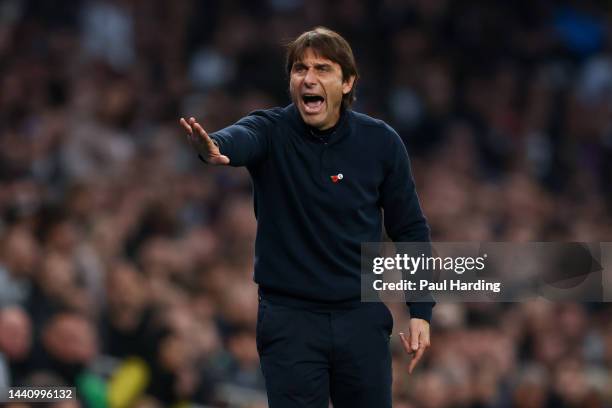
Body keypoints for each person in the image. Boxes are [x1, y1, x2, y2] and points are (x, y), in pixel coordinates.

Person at [179, 27, 434, 408]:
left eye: (323, 69)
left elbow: (410, 227)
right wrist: (214, 147)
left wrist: (421, 310)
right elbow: (239, 137)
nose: (309, 78)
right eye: (300, 69)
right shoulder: (270, 130)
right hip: (290, 319)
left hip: (360, 315)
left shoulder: (381, 142)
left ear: (347, 83)